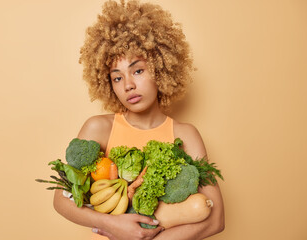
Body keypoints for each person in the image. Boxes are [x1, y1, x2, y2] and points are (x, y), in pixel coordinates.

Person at [53, 0, 225, 239]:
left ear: (161, 68)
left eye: (138, 71)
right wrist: (112, 225)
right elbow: (62, 201)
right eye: (117, 78)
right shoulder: (98, 128)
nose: (128, 85)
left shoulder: (185, 135)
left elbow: (216, 220)